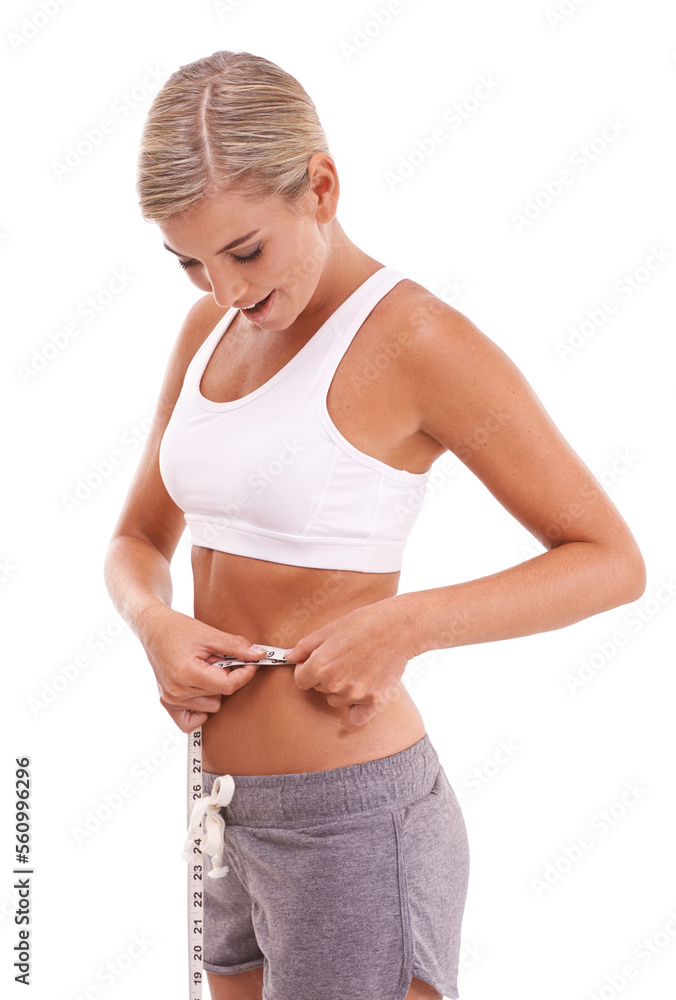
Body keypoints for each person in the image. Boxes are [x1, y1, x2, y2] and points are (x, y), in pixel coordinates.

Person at [103, 49, 646, 1000]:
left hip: (350, 824)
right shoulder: (211, 333)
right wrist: (155, 625)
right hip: (220, 808)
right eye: (189, 262)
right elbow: (138, 541)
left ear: (321, 185)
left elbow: (610, 559)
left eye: (245, 251)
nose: (224, 290)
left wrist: (409, 625)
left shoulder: (414, 340)